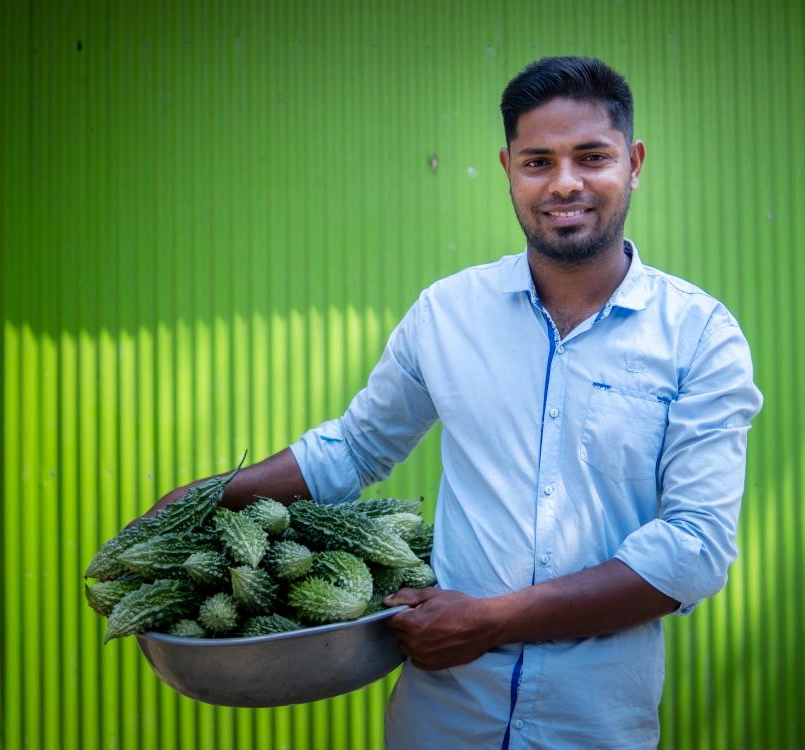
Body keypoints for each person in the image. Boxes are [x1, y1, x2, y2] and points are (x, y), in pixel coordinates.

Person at [144, 56, 763, 749]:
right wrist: (203, 499)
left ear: (634, 161)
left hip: (595, 726)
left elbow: (694, 549)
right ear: (508, 169)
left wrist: (494, 620)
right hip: (441, 723)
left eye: (592, 157)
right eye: (538, 161)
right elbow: (355, 447)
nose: (565, 183)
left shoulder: (699, 335)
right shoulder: (446, 314)